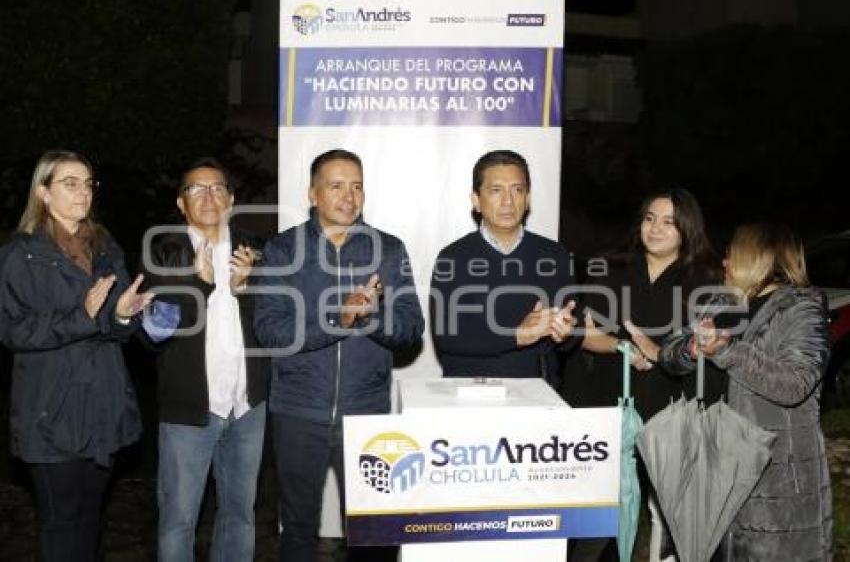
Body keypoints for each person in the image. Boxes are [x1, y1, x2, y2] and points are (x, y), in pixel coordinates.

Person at [253, 149, 424, 562]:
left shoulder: (388, 249)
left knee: (373, 532)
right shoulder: (282, 250)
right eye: (336, 186)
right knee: (296, 527)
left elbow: (411, 328)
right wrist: (339, 317)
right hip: (297, 412)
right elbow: (270, 331)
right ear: (313, 194)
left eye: (357, 185)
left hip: (366, 413)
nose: (349, 196)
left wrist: (368, 317)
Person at [0, 150, 151, 562]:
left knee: (89, 519)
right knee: (61, 523)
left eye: (88, 183)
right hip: (51, 411)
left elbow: (119, 329)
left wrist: (123, 316)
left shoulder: (103, 246)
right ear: (44, 192)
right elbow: (12, 331)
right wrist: (80, 317)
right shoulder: (20, 255)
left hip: (103, 406)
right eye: (70, 183)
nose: (83, 192)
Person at [566, 189, 723, 562]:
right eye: (650, 218)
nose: (655, 229)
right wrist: (626, 347)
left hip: (673, 409)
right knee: (601, 517)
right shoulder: (610, 267)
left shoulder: (705, 278)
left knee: (677, 519)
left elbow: (709, 344)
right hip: (612, 407)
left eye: (669, 222)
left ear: (687, 229)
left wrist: (661, 353)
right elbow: (584, 334)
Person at [659, 223, 832, 560]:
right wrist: (692, 347)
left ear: (756, 259)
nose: (724, 263)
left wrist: (726, 352)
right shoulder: (722, 303)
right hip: (712, 466)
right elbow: (669, 353)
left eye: (732, 256)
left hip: (771, 477)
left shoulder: (800, 309)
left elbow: (795, 383)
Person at [139, 157, 268, 562]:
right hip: (189, 411)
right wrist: (200, 284)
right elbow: (155, 333)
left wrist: (247, 289)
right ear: (181, 203)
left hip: (248, 406)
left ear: (230, 198)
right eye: (196, 188)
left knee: (240, 516)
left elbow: (272, 325)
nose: (208, 196)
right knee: (178, 520)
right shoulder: (164, 250)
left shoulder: (255, 249)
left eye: (217, 188)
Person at [429, 150, 578, 383]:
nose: (508, 201)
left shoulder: (554, 255)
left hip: (537, 394)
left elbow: (570, 336)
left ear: (528, 199)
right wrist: (516, 336)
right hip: (468, 394)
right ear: (476, 201)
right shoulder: (452, 257)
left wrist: (565, 334)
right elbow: (447, 337)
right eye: (496, 191)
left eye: (517, 190)